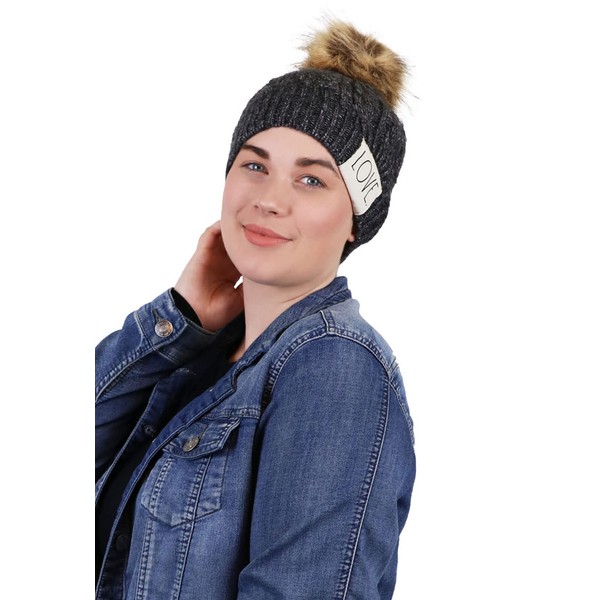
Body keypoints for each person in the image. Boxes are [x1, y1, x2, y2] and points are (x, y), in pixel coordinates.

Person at [95, 20, 416, 600]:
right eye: (255, 165)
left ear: (356, 220)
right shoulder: (201, 357)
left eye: (311, 180)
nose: (269, 199)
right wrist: (181, 320)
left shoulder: (335, 366)